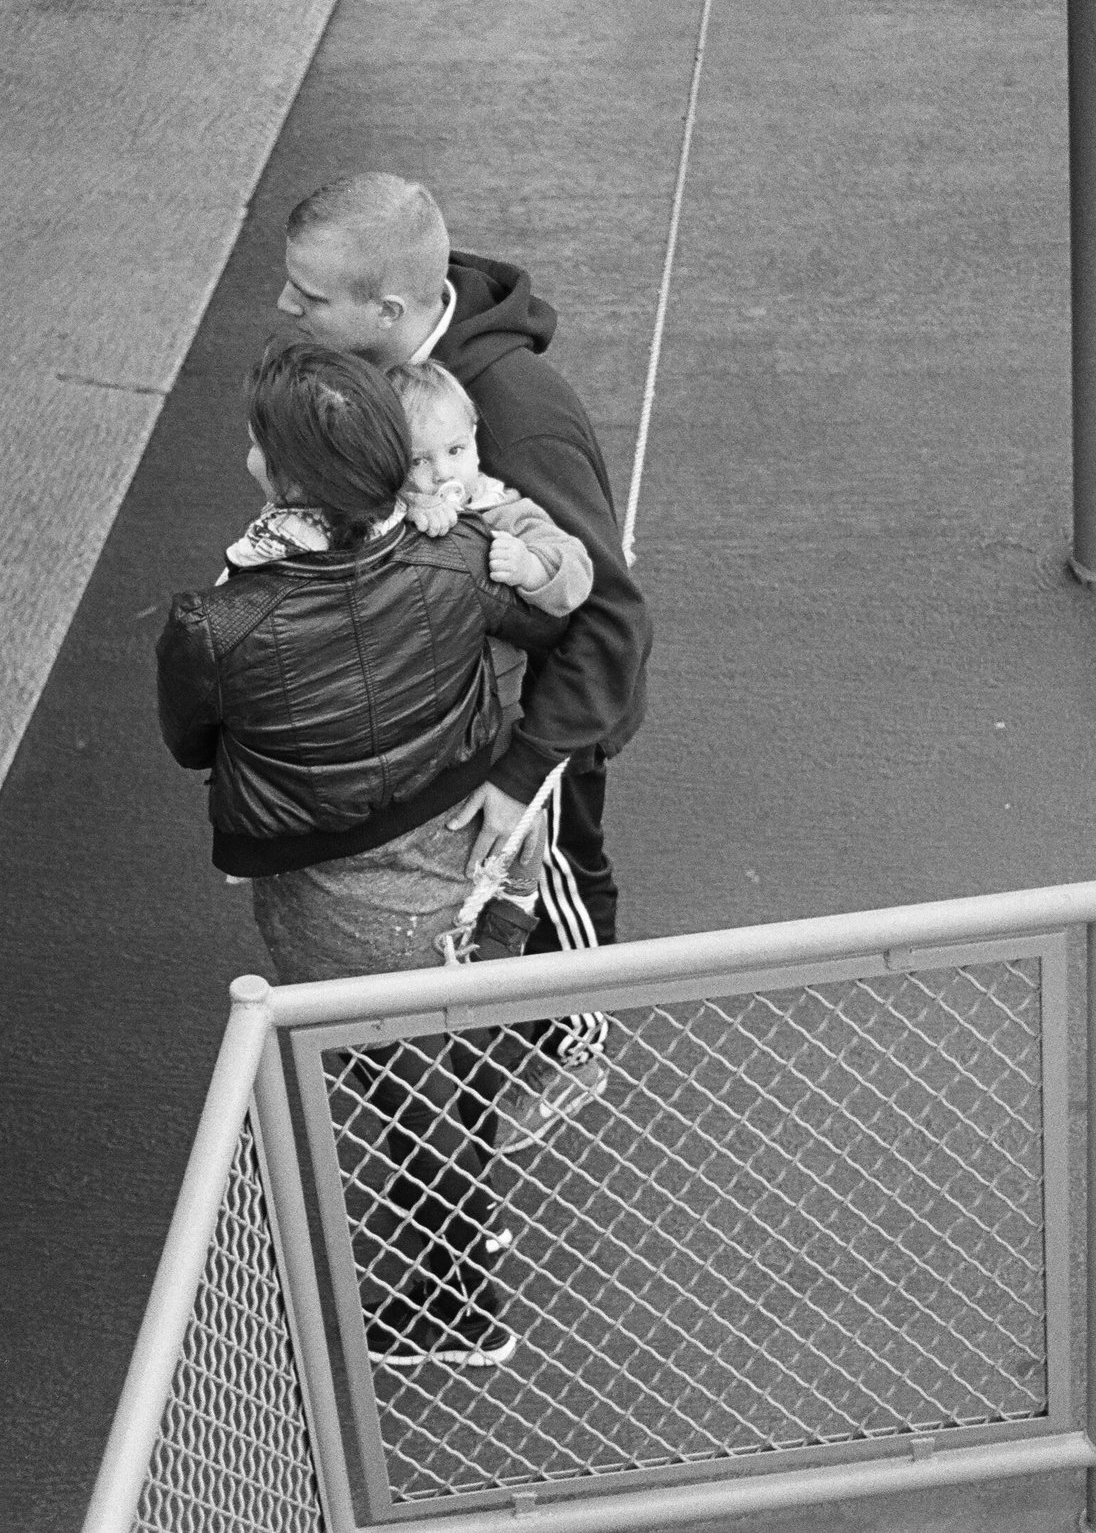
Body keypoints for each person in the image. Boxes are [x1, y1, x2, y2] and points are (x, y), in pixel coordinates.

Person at [157, 342, 568, 1367]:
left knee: (402, 1094)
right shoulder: (463, 554)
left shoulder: (215, 621)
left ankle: (457, 1299)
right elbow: (554, 618)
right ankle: (470, 1223)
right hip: (470, 865)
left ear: (270, 470)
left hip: (338, 908)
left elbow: (190, 741)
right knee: (455, 1059)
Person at [278, 172, 653, 1151]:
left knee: (559, 870)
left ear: (388, 309)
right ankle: (504, 1012)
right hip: (463, 699)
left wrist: (526, 773)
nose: (285, 309)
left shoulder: (514, 415)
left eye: (309, 296)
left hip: (538, 714)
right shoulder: (381, 378)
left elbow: (609, 616)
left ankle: (575, 1040)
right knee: (497, 892)